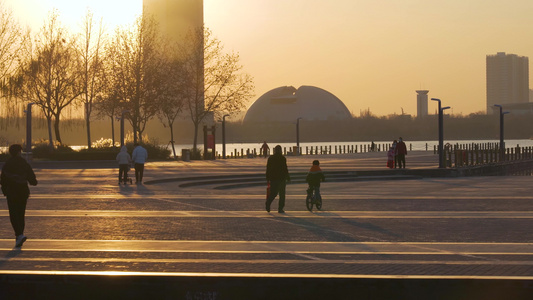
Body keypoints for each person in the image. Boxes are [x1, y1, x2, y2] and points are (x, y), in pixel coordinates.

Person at [0, 144, 38, 248]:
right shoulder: (24, 163)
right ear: (18, 152)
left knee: (13, 214)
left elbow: (3, 180)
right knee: (21, 214)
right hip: (23, 192)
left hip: (11, 193)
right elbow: (33, 181)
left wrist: (5, 190)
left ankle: (19, 235)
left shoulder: (7, 165)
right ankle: (19, 236)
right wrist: (32, 181)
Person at [265, 145, 290, 213]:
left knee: (273, 193)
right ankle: (280, 208)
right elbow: (285, 168)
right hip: (281, 178)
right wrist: (288, 177)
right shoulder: (282, 158)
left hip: (273, 178)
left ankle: (268, 202)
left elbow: (268, 168)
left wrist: (267, 177)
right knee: (282, 194)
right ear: (280, 150)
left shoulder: (271, 158)